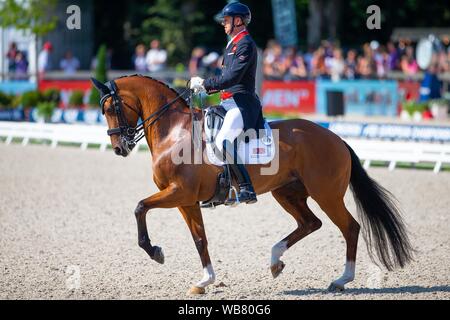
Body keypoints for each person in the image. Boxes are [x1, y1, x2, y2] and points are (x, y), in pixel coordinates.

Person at [190, 2, 260, 204]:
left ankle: (247, 188)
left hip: (242, 104)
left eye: (226, 20)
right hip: (228, 102)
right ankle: (222, 190)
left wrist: (205, 83)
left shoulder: (245, 43)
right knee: (208, 135)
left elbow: (232, 77)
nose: (223, 23)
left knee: (222, 142)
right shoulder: (232, 44)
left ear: (238, 21)